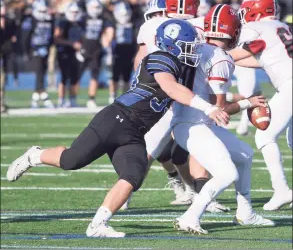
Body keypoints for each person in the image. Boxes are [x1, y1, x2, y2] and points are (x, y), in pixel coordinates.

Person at [6, 19, 229, 237]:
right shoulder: (160, 57)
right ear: (172, 44)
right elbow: (171, 88)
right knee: (71, 161)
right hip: (116, 119)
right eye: (187, 46)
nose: (192, 51)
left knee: (134, 175)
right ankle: (34, 156)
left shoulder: (180, 66)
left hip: (136, 131)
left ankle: (98, 224)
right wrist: (207, 107)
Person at [173, 4, 274, 235]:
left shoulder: (198, 47)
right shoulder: (221, 58)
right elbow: (220, 111)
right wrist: (249, 102)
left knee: (245, 155)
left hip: (190, 120)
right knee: (227, 173)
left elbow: (209, 99)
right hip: (195, 124)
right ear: (234, 31)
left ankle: (246, 213)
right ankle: (190, 216)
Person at [135, 0, 230, 212]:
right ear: (195, 6)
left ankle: (126, 192)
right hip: (193, 94)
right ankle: (203, 195)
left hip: (160, 92)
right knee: (199, 146)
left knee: (150, 149)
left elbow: (140, 61)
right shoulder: (202, 25)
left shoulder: (152, 25)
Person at [229, 0, 292, 210]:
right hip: (288, 82)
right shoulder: (282, 26)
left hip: (290, 85)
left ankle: (282, 190)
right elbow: (266, 60)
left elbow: (238, 54)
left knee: (264, 133)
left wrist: (214, 57)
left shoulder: (256, 28)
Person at [78, 0, 114, 109]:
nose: (95, 9)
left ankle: (91, 98)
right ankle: (70, 98)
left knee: (94, 76)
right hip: (83, 49)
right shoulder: (82, 18)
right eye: (93, 7)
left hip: (96, 50)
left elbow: (108, 32)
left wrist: (107, 42)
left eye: (97, 7)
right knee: (75, 75)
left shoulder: (103, 18)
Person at [54, 1, 84, 108]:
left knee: (74, 77)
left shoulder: (79, 23)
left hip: (76, 53)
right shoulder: (63, 22)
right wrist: (71, 44)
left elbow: (81, 37)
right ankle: (61, 100)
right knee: (64, 76)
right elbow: (56, 38)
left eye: (76, 12)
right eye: (72, 12)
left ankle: (72, 99)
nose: (74, 14)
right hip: (64, 52)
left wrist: (80, 45)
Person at [27, 0, 55, 108]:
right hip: (35, 49)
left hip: (45, 49)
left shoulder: (49, 20)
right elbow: (26, 38)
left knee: (43, 71)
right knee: (39, 71)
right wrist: (29, 51)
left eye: (44, 11)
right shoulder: (31, 20)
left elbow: (51, 36)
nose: (43, 14)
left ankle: (37, 95)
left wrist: (48, 47)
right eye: (41, 11)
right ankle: (42, 94)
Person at [108, 1, 137, 104]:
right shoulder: (113, 23)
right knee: (115, 76)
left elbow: (135, 40)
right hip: (117, 51)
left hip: (128, 51)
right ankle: (112, 95)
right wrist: (109, 53)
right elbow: (109, 39)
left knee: (126, 76)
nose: (124, 16)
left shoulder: (132, 24)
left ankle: (124, 96)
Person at [0, 0, 17, 113]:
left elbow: (13, 37)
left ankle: (1, 102)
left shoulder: (9, 21)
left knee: (3, 78)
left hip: (4, 54)